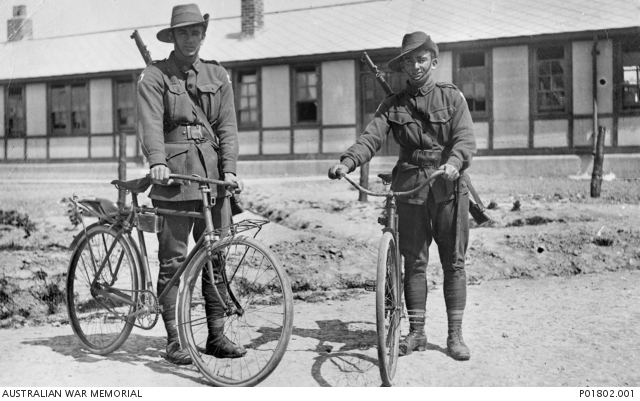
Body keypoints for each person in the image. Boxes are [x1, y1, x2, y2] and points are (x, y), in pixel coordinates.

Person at [328, 31, 477, 361]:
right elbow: (370, 138)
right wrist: (346, 162)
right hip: (411, 188)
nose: (415, 65)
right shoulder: (393, 104)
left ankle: (455, 335)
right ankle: (417, 333)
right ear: (403, 66)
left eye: (421, 59)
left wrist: (454, 163)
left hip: (449, 189)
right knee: (414, 264)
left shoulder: (452, 98)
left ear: (434, 62)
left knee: (454, 263)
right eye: (408, 60)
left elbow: (466, 141)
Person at [137, 3, 245, 365]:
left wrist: (228, 170)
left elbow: (227, 125)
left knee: (216, 255)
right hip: (174, 177)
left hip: (212, 177)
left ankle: (216, 336)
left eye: (195, 31)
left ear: (203, 34)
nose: (190, 38)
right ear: (173, 36)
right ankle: (174, 339)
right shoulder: (155, 76)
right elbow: (150, 122)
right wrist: (156, 162)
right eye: (183, 32)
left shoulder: (217, 74)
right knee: (174, 260)